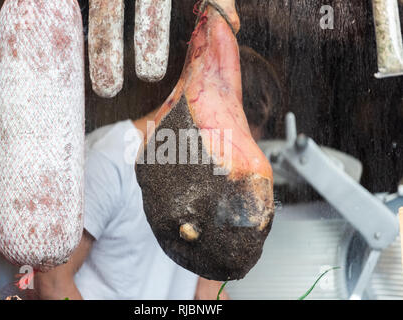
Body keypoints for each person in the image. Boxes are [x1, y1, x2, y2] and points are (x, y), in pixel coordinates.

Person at [34, 45, 281, 300]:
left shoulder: (207, 179)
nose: (231, 166)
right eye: (229, 149)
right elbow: (52, 284)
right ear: (203, 106)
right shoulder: (110, 160)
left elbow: (207, 293)